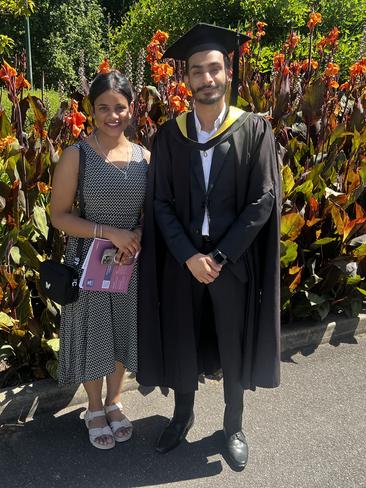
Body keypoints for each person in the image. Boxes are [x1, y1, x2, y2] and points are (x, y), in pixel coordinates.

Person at [138, 23, 282, 469]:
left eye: (214, 68)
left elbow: (263, 200)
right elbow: (159, 202)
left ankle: (233, 424)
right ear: (186, 79)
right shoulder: (169, 136)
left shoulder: (253, 130)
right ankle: (182, 417)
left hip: (231, 263)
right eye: (197, 70)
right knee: (182, 337)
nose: (207, 78)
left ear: (228, 71)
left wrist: (219, 256)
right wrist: (188, 256)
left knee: (232, 341)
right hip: (184, 261)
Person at [50, 70, 150, 450]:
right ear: (91, 111)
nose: (113, 115)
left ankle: (114, 401)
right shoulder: (78, 155)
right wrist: (110, 233)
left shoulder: (145, 157)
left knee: (123, 331)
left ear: (131, 109)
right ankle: (93, 407)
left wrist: (137, 234)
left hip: (130, 262)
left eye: (120, 107)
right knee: (94, 334)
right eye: (103, 108)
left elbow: (152, 211)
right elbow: (59, 216)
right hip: (90, 259)